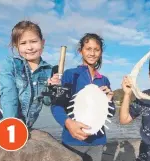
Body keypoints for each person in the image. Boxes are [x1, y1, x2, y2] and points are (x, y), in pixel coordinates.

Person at [50, 33, 115, 161]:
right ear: (81, 51)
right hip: (72, 140)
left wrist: (110, 101)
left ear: (101, 52)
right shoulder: (70, 74)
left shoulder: (104, 80)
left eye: (96, 50)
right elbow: (56, 106)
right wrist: (68, 124)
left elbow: (110, 114)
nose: (92, 53)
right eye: (88, 49)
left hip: (98, 141)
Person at [0, 20, 59, 128]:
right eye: (23, 43)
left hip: (26, 125)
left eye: (34, 41)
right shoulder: (10, 64)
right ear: (17, 46)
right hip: (2, 120)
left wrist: (52, 87)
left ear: (42, 42)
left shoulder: (49, 70)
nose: (29, 47)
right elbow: (8, 95)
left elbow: (47, 101)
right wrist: (10, 123)